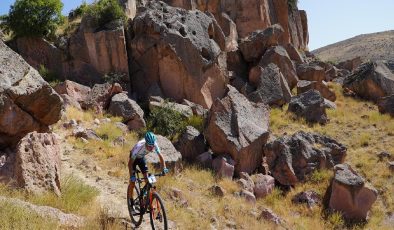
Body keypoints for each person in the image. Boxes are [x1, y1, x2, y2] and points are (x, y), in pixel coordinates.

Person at [127, 132, 168, 208]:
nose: (151, 148)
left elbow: (160, 156)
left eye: (152, 146)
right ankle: (131, 200)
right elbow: (129, 164)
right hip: (133, 159)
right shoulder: (139, 146)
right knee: (132, 182)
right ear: (146, 143)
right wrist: (132, 176)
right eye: (149, 146)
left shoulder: (153, 144)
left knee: (147, 179)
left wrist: (164, 168)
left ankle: (145, 198)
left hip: (141, 158)